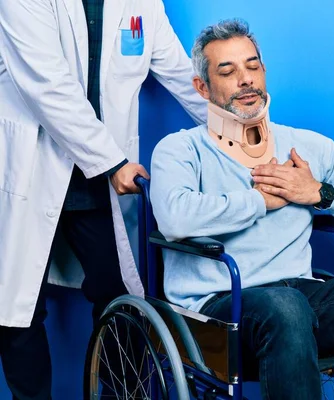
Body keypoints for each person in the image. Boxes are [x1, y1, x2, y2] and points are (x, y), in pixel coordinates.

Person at [150, 18, 334, 400]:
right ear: (202, 87)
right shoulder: (180, 149)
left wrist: (319, 193)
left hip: (303, 301)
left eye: (252, 66)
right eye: (228, 71)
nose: (246, 80)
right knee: (285, 305)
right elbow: (174, 217)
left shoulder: (307, 146)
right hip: (219, 312)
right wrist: (260, 201)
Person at [0, 0, 207, 398]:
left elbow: (185, 77)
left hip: (98, 177)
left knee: (121, 299)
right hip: (32, 164)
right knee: (18, 310)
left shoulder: (143, 3)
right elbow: (47, 85)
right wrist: (113, 162)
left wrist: (250, 135)